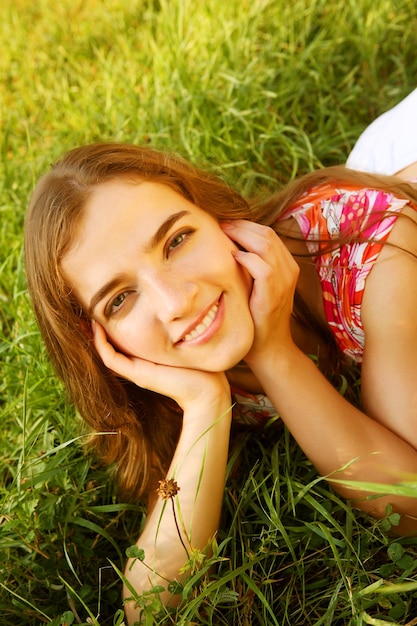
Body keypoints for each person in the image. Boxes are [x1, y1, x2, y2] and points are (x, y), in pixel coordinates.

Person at [24, 94, 417, 623]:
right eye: (119, 299)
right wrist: (206, 405)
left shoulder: (374, 252)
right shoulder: (169, 384)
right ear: (98, 339)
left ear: (217, 216)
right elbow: (147, 608)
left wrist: (274, 351)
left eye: (177, 240)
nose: (175, 300)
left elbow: (410, 500)